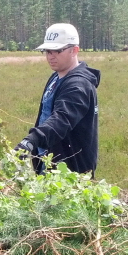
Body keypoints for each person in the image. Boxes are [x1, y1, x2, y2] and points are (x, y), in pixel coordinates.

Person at [15, 23, 101, 177]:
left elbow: (61, 119)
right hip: (48, 163)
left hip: (70, 174)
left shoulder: (78, 86)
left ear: (74, 50)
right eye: (47, 51)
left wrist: (31, 140)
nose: (50, 56)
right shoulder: (57, 76)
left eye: (57, 50)